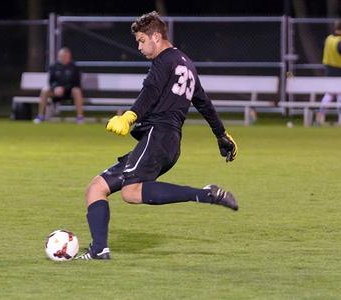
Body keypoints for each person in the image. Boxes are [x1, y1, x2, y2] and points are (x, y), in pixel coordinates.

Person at [75, 11, 239, 260]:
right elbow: (204, 103)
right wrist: (221, 135)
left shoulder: (164, 60)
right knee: (96, 188)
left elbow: (150, 91)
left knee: (131, 192)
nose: (139, 47)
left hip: (158, 136)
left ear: (156, 36)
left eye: (141, 40)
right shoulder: (187, 64)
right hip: (166, 143)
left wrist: (129, 117)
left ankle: (204, 193)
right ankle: (99, 250)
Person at [33, 48, 84, 124]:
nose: (65, 58)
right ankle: (40, 116)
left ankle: (80, 117)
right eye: (63, 56)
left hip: (69, 92)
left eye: (67, 56)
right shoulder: (53, 67)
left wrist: (64, 88)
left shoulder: (74, 67)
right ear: (59, 56)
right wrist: (55, 88)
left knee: (77, 91)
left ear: (69, 57)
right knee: (45, 90)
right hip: (56, 92)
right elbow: (51, 81)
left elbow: (76, 83)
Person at [316, 20, 341, 126]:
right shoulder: (340, 41)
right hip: (339, 70)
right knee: (340, 96)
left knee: (329, 95)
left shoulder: (329, 38)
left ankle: (320, 117)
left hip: (329, 71)